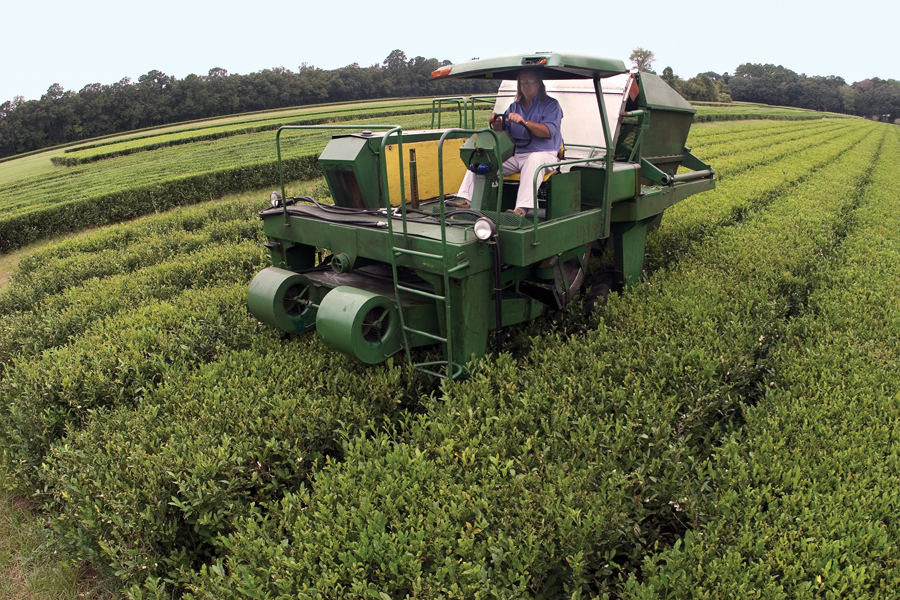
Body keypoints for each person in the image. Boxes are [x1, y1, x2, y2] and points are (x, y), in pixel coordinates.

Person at [455, 69, 563, 216]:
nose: (526, 85)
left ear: (538, 83)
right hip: (517, 154)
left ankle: (522, 209)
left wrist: (524, 121)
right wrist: (496, 124)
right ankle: (467, 201)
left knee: (534, 159)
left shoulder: (551, 105)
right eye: (522, 82)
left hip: (545, 153)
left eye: (530, 81)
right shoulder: (514, 106)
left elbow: (548, 131)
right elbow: (506, 133)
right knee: (482, 160)